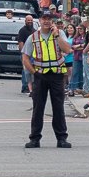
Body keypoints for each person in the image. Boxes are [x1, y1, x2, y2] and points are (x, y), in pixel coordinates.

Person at [21, 13, 72, 149]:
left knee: (58, 107)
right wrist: (34, 72)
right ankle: (35, 139)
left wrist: (56, 35)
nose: (46, 22)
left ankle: (61, 138)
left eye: (49, 20)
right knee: (38, 107)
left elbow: (67, 50)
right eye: (44, 19)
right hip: (40, 75)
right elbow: (25, 58)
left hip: (56, 75)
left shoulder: (59, 33)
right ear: (39, 21)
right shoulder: (32, 37)